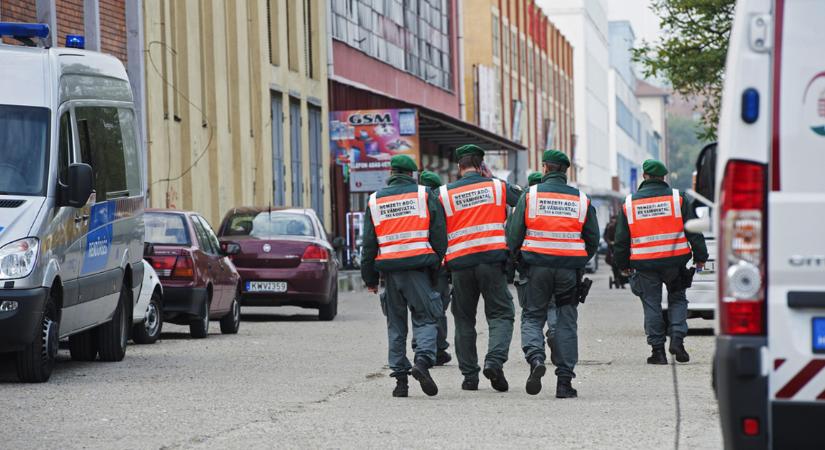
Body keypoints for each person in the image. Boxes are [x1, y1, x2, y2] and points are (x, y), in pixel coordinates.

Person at [507, 150, 600, 398]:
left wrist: (517, 261)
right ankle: (564, 383)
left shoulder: (530, 195)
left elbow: (514, 235)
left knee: (532, 316)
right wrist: (578, 258)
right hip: (568, 270)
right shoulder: (581, 199)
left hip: (535, 268)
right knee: (566, 321)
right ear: (564, 171)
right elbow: (593, 239)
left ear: (545, 169)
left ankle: (536, 358)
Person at [361, 155, 448, 397]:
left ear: (391, 172)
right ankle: (422, 362)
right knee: (428, 316)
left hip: (389, 272)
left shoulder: (375, 200)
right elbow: (439, 233)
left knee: (396, 326)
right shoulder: (424, 195)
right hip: (418, 269)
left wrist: (369, 278)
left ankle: (400, 383)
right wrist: (436, 264)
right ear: (412, 174)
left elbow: (368, 244)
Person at [613, 159, 708, 365]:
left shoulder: (630, 203)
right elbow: (694, 231)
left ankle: (658, 352)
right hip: (675, 263)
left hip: (645, 264)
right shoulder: (678, 198)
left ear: (644, 176)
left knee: (652, 304)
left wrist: (623, 265)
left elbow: (621, 240)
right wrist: (700, 257)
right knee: (678, 299)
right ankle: (677, 339)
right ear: (663, 177)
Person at [439, 144, 515, 392]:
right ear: (482, 166)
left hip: (460, 265)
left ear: (459, 167)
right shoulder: (497, 186)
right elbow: (526, 201)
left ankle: (470, 376)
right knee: (501, 314)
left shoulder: (444, 194)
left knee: (463, 320)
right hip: (492, 262)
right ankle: (494, 361)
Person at [410, 170, 452, 366]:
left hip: (418, 263)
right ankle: (438, 348)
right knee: (438, 307)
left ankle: (420, 343)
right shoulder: (442, 204)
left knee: (419, 307)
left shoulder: (416, 203)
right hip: (439, 265)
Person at [603, 215, 626, 289]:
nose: (614, 221)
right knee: (614, 265)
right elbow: (605, 236)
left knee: (621, 265)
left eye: (615, 219)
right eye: (612, 219)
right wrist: (610, 242)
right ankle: (616, 278)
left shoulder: (621, 226)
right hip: (612, 249)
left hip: (620, 247)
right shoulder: (609, 226)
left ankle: (622, 281)